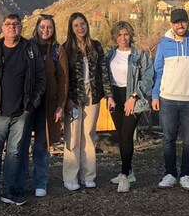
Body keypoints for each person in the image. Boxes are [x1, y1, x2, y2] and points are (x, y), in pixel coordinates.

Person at [0, 14, 46, 207]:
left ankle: (8, 191)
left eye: (15, 24)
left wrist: (31, 105)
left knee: (14, 153)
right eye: (8, 24)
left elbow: (41, 78)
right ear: (2, 27)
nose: (12, 27)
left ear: (21, 27)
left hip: (21, 112)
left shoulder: (30, 49)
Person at [152, 8, 189, 191]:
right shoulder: (163, 45)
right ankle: (170, 174)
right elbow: (158, 71)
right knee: (169, 139)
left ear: (188, 22)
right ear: (171, 24)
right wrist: (155, 95)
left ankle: (186, 175)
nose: (180, 25)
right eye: (176, 22)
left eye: (183, 21)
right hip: (168, 99)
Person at [59, 12, 112, 191]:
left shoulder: (95, 46)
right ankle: (70, 176)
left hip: (93, 95)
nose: (80, 28)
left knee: (88, 135)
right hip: (74, 98)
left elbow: (103, 71)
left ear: (87, 25)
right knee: (73, 137)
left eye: (82, 24)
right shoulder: (66, 48)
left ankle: (88, 175)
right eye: (76, 25)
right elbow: (63, 77)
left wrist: (109, 95)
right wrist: (66, 99)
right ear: (71, 28)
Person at [16, 15, 67, 198]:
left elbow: (63, 80)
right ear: (36, 27)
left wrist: (61, 105)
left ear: (54, 29)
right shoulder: (26, 46)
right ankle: (20, 182)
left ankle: (40, 182)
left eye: (49, 27)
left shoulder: (57, 50)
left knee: (42, 145)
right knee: (21, 144)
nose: (46, 30)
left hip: (47, 105)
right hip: (27, 104)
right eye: (42, 26)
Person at [104, 21, 153, 193]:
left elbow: (148, 77)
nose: (123, 38)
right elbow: (105, 78)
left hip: (132, 97)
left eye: (126, 34)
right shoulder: (110, 55)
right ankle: (128, 171)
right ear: (115, 37)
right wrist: (109, 96)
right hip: (115, 98)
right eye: (119, 35)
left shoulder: (139, 55)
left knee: (126, 135)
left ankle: (124, 176)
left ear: (130, 35)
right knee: (120, 135)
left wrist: (134, 96)